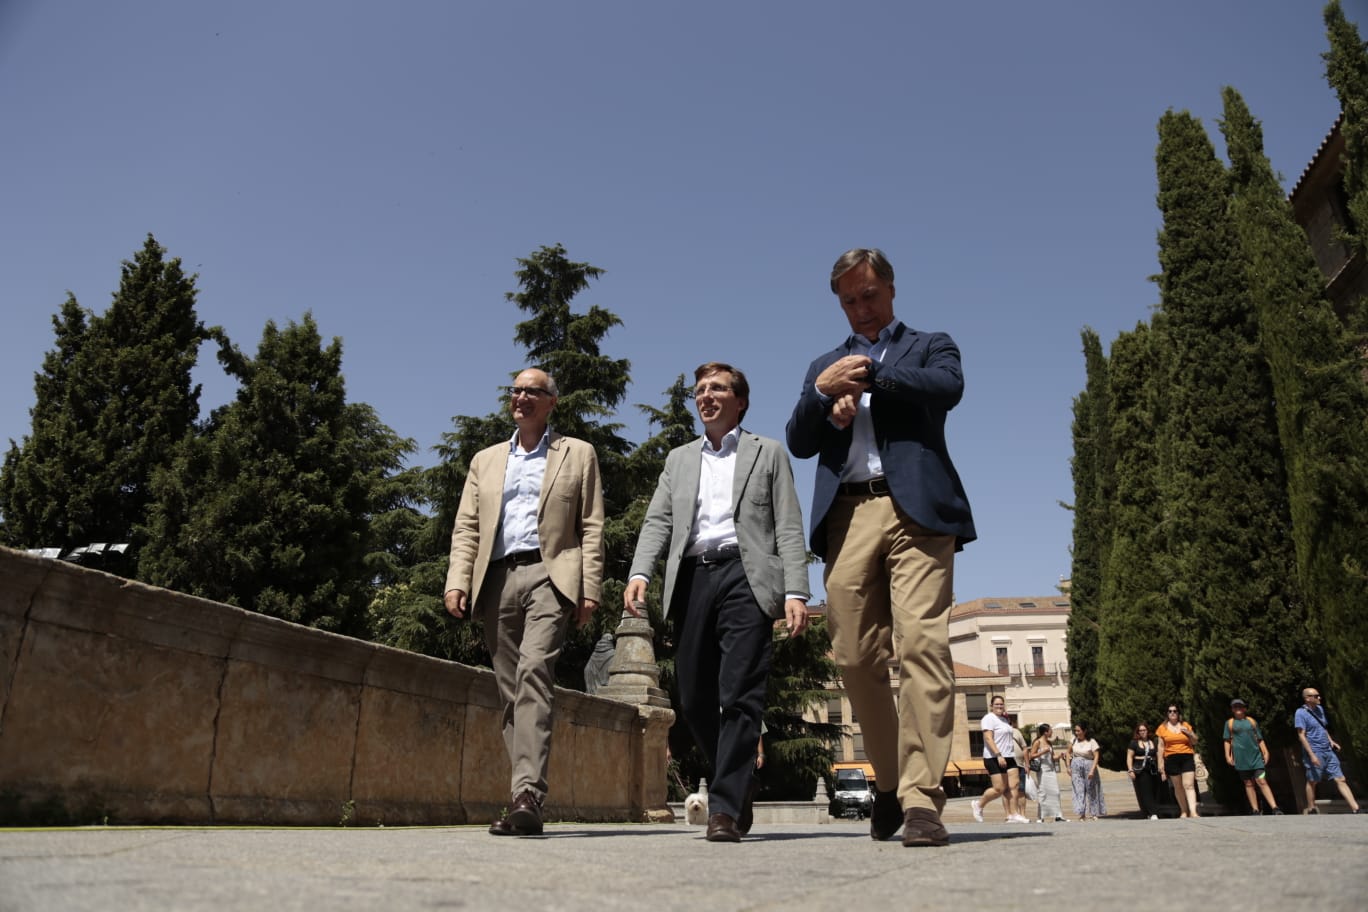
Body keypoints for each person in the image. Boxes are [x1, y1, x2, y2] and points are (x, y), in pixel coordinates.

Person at [786, 248, 976, 849]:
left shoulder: (929, 343)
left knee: (922, 643)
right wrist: (823, 396)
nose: (860, 307)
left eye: (868, 294)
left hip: (917, 509)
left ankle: (922, 801)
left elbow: (947, 388)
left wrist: (870, 375)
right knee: (853, 657)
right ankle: (891, 783)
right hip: (848, 513)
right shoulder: (824, 364)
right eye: (848, 300)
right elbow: (798, 439)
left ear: (890, 289)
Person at [625, 362, 811, 843]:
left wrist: (795, 590)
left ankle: (725, 807)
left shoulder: (766, 453)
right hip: (692, 577)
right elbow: (658, 521)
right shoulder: (679, 459)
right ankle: (739, 779)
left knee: (740, 694)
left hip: (746, 577)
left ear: (740, 400)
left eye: (717, 388)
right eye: (701, 389)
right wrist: (641, 571)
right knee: (692, 694)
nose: (706, 396)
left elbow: (788, 525)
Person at [444, 368, 604, 837]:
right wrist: (458, 580)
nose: (521, 397)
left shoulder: (577, 453)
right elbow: (467, 527)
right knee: (510, 689)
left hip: (551, 575)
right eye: (516, 390)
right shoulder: (486, 460)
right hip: (494, 579)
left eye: (532, 391)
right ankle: (522, 796)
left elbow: (591, 524)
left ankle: (528, 795)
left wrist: (590, 587)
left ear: (552, 401)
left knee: (535, 671)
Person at [1295, 688, 1361, 815]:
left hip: (1328, 750)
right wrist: (1311, 755)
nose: (1319, 698)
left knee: (1340, 779)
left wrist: (1331, 741)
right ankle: (1311, 807)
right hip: (1314, 751)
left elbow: (1322, 727)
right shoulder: (1300, 713)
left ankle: (1355, 808)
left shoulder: (1320, 710)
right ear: (1307, 698)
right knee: (1313, 781)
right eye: (1316, 696)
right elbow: (1301, 735)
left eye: (1319, 695)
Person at [970, 696, 1027, 823]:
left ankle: (1013, 814)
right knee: (999, 789)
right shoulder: (988, 719)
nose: (999, 707)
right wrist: (998, 754)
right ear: (991, 706)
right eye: (997, 705)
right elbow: (988, 738)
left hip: (1009, 756)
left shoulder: (1004, 719)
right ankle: (978, 805)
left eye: (1001, 704)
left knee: (1014, 785)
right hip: (994, 757)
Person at [1223, 698, 1283, 815]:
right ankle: (1255, 809)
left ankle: (1274, 807)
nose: (1238, 709)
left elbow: (1259, 738)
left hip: (1256, 757)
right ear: (1232, 710)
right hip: (1241, 759)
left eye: (1240, 706)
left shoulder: (1251, 722)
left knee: (1261, 780)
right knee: (1248, 783)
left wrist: (1265, 751)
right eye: (1235, 707)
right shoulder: (1229, 723)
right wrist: (1228, 755)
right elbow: (1227, 740)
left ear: (1244, 708)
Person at [1155, 703, 1200, 818]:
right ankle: (1184, 811)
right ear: (1167, 714)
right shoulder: (1162, 728)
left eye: (1175, 711)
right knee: (1178, 786)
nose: (1172, 713)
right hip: (1171, 758)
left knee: (1188, 784)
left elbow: (1195, 741)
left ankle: (1193, 811)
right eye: (1170, 711)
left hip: (1186, 757)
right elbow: (1160, 747)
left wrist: (1189, 733)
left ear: (1178, 713)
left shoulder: (1185, 725)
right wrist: (1160, 763)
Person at [1027, 724, 1066, 823]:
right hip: (1042, 771)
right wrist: (1042, 752)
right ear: (1045, 732)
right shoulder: (1037, 742)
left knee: (1055, 792)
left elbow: (1052, 757)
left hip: (1051, 770)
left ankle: (1058, 815)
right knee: (1043, 793)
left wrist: (1060, 756)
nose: (1052, 732)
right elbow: (1031, 756)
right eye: (1050, 730)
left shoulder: (1049, 742)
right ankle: (1040, 816)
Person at [1066, 723, 1106, 820]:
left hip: (1089, 765)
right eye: (1075, 731)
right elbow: (1068, 752)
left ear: (1084, 731)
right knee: (1079, 790)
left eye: (1078, 731)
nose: (1077, 733)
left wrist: (1092, 769)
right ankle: (1081, 813)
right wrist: (1068, 766)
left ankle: (1094, 813)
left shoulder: (1091, 741)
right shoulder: (1074, 740)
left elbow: (1096, 755)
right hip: (1076, 766)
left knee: (1092, 789)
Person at [1126, 722, 1161, 820]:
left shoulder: (1153, 742)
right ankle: (1153, 813)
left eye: (1144, 730)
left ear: (1147, 731)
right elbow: (1129, 757)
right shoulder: (1134, 743)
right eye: (1140, 730)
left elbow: (1158, 755)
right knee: (1146, 791)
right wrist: (1130, 770)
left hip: (1153, 768)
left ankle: (1148, 812)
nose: (1142, 732)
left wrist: (1161, 768)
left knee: (1154, 790)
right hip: (1140, 769)